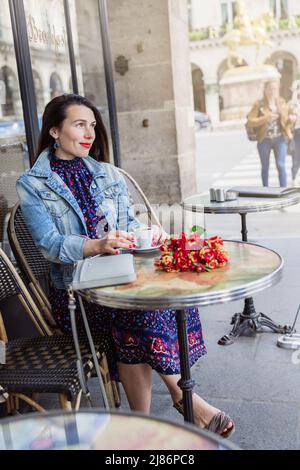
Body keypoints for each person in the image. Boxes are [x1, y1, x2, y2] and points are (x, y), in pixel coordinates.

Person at [17, 93, 235, 437]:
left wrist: (144, 234)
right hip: (78, 290)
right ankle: (184, 398)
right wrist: (97, 245)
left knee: (162, 298)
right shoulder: (33, 184)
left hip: (123, 274)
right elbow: (50, 245)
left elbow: (128, 224)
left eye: (92, 125)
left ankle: (140, 428)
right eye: (79, 125)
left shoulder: (107, 174)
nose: (89, 133)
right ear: (55, 131)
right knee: (138, 313)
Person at [246, 79, 292, 187]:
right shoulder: (258, 104)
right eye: (270, 89)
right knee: (265, 167)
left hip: (280, 138)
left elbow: (285, 121)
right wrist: (266, 117)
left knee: (281, 165)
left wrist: (291, 119)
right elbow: (250, 121)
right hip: (264, 139)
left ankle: (283, 191)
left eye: (275, 88)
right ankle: (265, 190)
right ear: (265, 90)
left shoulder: (281, 102)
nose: (272, 91)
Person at [288, 81, 300, 186]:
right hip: (296, 131)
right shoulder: (294, 103)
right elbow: (289, 115)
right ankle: (294, 177)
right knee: (296, 156)